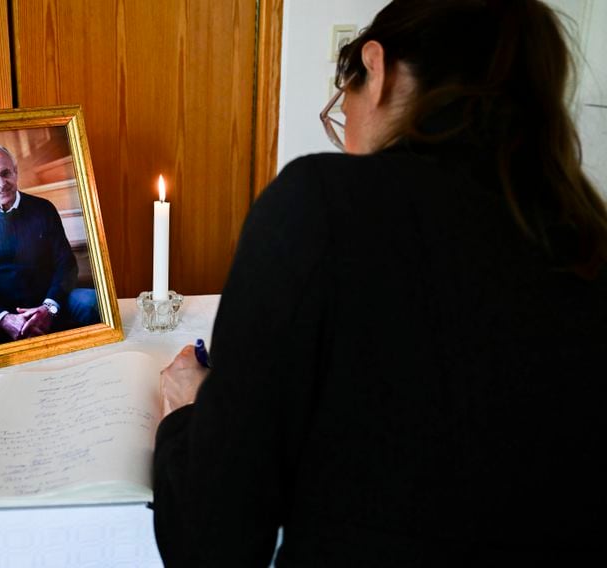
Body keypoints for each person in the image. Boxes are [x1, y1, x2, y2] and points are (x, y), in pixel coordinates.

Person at [152, 0, 607, 565]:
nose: (346, 141)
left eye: (343, 107)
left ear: (378, 66)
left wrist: (189, 416)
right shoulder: (589, 240)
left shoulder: (320, 205)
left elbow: (210, 542)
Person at [0, 143, 99, 354]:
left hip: (50, 303)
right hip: (0, 310)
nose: (1, 183)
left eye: (6, 173)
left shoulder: (43, 209)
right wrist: (4, 318)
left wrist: (48, 308)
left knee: (94, 303)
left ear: (16, 171)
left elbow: (67, 265)